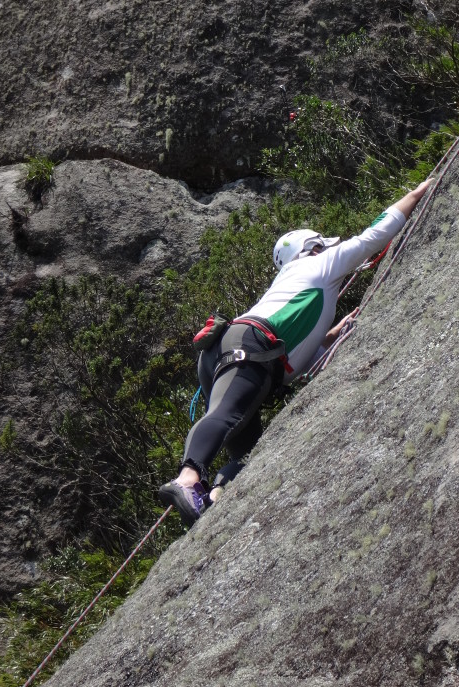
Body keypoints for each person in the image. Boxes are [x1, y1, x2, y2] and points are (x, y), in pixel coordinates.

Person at [158, 179, 432, 526]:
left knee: (247, 456)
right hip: (251, 346)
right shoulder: (316, 265)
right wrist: (416, 194)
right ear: (312, 247)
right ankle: (187, 480)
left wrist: (331, 337)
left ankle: (211, 499)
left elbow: (302, 360)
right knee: (226, 415)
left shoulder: (298, 283)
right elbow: (372, 237)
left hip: (237, 352)